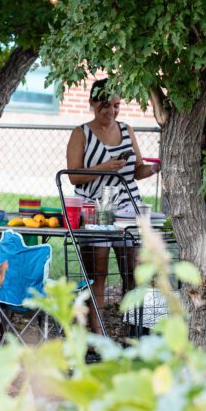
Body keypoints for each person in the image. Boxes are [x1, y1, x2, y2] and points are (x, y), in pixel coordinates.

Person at [65, 78, 160, 333]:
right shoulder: (81, 133)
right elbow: (73, 176)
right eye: (105, 105)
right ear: (92, 102)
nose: (111, 111)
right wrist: (104, 168)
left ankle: (136, 333)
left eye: (116, 105)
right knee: (98, 274)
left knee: (135, 271)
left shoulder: (127, 129)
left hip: (128, 208)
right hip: (94, 210)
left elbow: (136, 170)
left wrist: (154, 168)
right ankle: (99, 335)